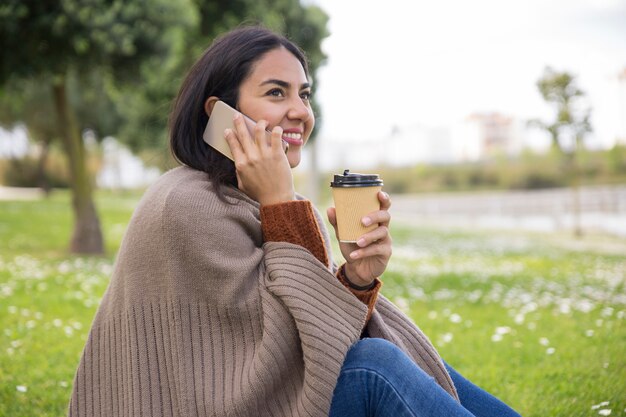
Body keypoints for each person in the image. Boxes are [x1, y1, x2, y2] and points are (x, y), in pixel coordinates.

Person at [68, 26, 522, 417]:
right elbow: (291, 356)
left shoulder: (259, 201)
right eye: (275, 93)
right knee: (372, 368)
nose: (301, 111)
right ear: (219, 114)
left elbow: (318, 336)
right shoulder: (186, 204)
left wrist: (357, 280)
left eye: (303, 94)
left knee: (409, 359)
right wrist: (281, 203)